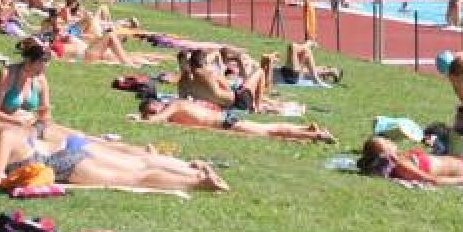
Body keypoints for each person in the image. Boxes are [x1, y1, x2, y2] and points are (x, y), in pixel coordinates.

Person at [0, 103, 229, 192]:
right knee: (137, 166)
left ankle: (196, 182)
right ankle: (192, 173)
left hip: (65, 164)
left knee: (134, 178)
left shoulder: (2, 139)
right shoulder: (12, 130)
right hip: (67, 154)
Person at [134, 98, 336, 143]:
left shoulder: (173, 106)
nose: (154, 113)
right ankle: (307, 129)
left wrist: (139, 120)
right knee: (269, 129)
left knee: (269, 132)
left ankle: (317, 135)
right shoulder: (173, 108)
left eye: (153, 110)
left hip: (225, 122)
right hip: (225, 121)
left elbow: (157, 121)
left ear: (158, 105)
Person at [0, 37, 53, 131]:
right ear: (28, 60)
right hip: (3, 126)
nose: (42, 70)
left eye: (45, 65)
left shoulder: (40, 79)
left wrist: (42, 120)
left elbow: (45, 112)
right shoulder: (7, 75)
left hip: (30, 127)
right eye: (39, 64)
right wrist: (17, 122)